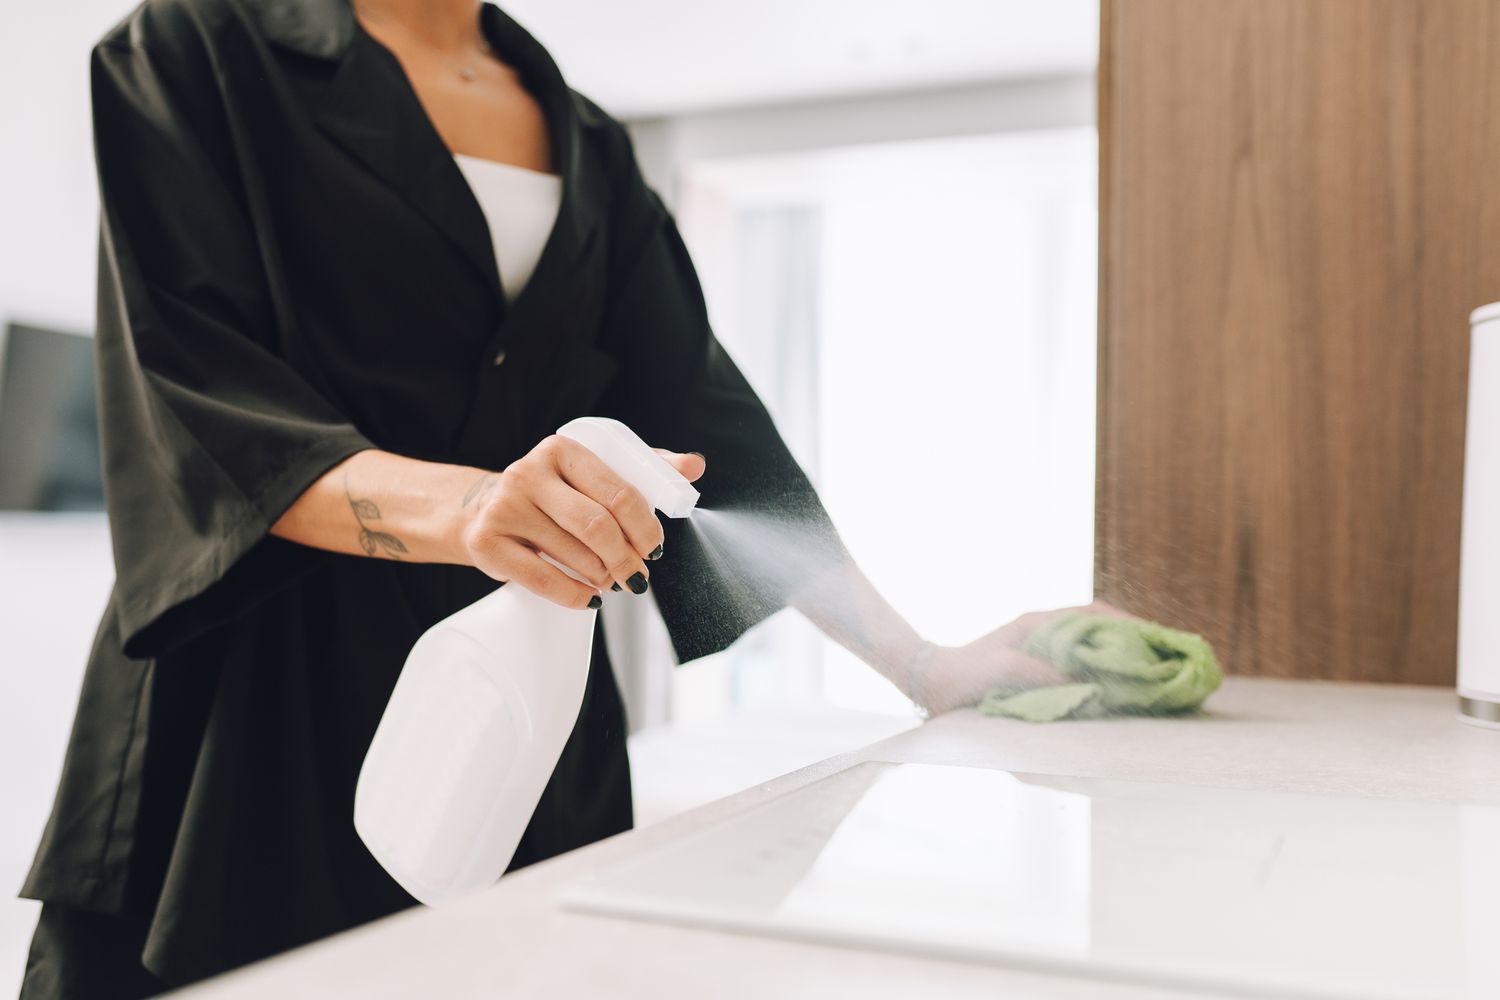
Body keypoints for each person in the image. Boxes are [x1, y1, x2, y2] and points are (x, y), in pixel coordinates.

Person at [17, 0, 1117, 995]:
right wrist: (475, 513)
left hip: (525, 711)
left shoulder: (588, 138)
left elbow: (715, 434)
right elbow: (198, 403)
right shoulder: (190, 49)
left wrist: (924, 664)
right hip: (255, 716)